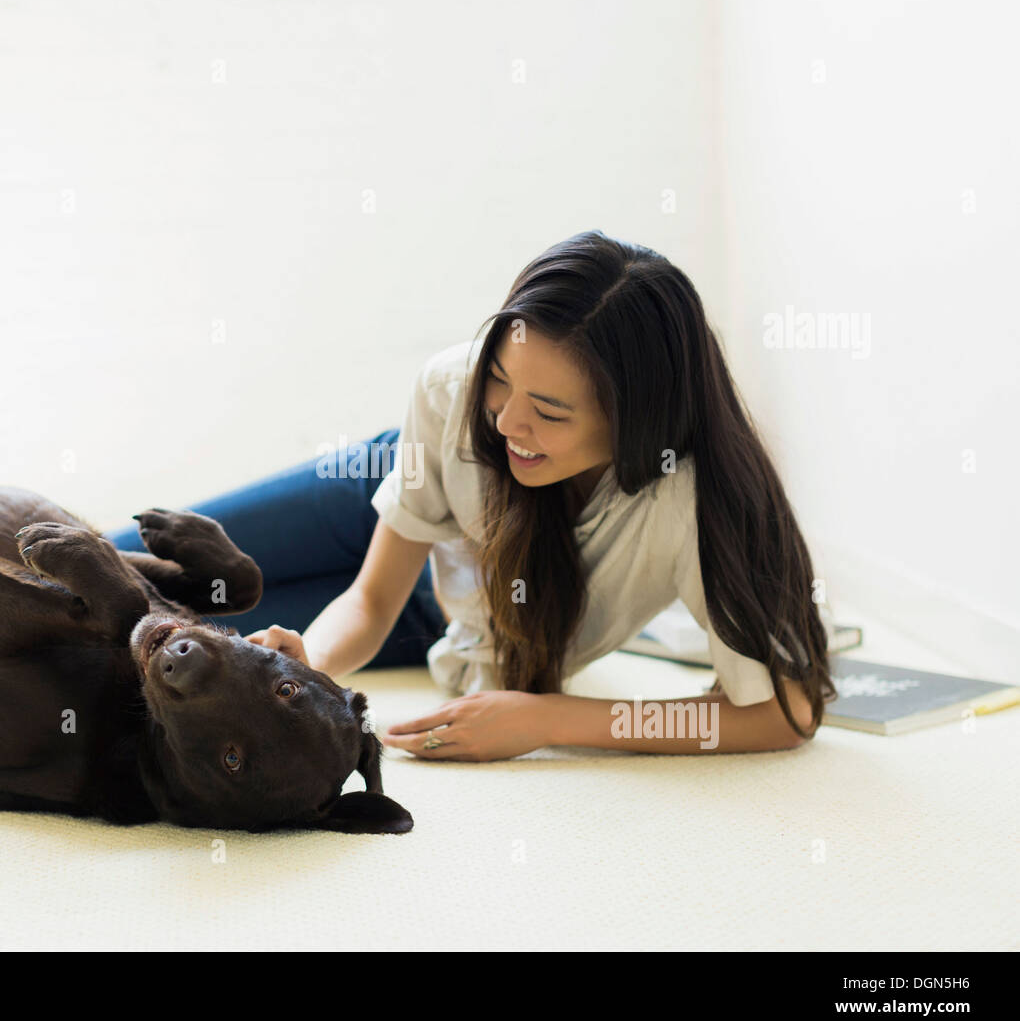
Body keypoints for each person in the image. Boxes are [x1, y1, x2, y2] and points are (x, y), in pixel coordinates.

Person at [105, 229, 837, 762]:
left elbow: (784, 710)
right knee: (116, 566)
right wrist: (308, 663)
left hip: (456, 619)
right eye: (501, 379)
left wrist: (550, 718)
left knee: (141, 644)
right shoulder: (455, 395)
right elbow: (371, 597)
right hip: (395, 487)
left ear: (640, 420)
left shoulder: (700, 503)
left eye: (550, 411)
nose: (509, 421)